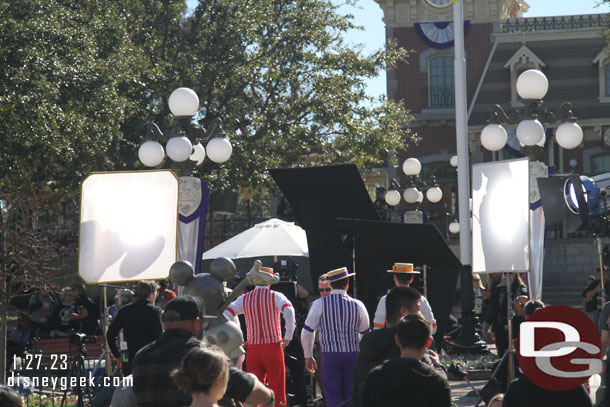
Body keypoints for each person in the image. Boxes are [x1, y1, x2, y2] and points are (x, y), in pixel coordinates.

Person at [133, 295, 274, 407]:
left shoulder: (141, 357)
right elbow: (252, 392)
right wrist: (270, 399)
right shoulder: (204, 355)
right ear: (196, 323)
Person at [352, 286, 446, 407]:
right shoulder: (412, 338)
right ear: (404, 312)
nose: (421, 314)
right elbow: (435, 382)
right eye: (418, 309)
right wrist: (438, 365)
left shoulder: (369, 342)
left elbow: (356, 389)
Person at [224, 266, 295, 407]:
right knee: (277, 389)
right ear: (270, 281)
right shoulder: (276, 296)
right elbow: (289, 310)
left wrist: (239, 339)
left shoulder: (244, 298)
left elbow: (227, 314)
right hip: (274, 347)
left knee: (254, 391)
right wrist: (288, 337)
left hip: (253, 349)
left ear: (255, 282)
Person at [301, 267, 370, 407]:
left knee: (332, 396)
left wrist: (308, 355)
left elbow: (307, 332)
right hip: (353, 354)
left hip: (330, 355)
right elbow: (365, 333)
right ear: (347, 284)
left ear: (331, 284)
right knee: (351, 395)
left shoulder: (319, 304)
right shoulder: (358, 305)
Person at [361, 314, 451, 407]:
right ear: (428, 342)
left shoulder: (375, 376)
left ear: (397, 340)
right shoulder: (436, 381)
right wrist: (437, 365)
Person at [107, 281, 163, 375]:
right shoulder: (155, 311)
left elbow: (110, 334)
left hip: (128, 358)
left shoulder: (124, 310)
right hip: (149, 360)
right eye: (156, 293)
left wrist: (117, 354)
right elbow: (159, 337)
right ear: (151, 295)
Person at [373, 263, 437, 334]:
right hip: (415, 343)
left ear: (395, 278)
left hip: (392, 343)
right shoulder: (421, 300)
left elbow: (377, 330)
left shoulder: (384, 300)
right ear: (412, 278)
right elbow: (433, 329)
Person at [486, 272, 528, 358]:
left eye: (510, 273)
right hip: (501, 325)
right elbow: (494, 309)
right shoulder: (499, 289)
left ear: (515, 275)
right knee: (502, 352)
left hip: (517, 324)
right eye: (505, 274)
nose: (507, 276)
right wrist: (492, 328)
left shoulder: (522, 288)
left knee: (516, 351)